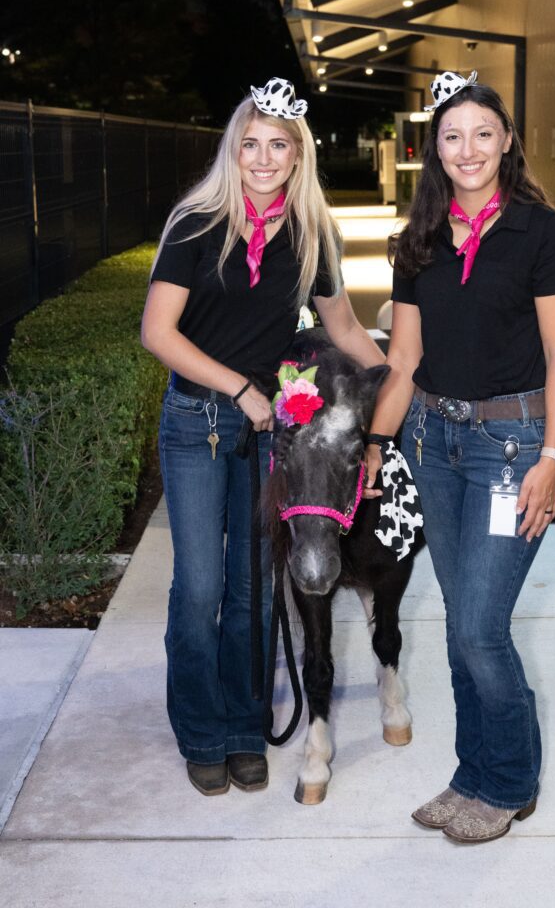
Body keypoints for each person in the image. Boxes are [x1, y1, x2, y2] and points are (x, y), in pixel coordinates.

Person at [141, 78, 384, 797]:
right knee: (200, 587)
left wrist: (397, 383)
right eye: (250, 144)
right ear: (233, 149)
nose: (263, 157)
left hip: (270, 432)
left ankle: (245, 729)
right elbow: (158, 333)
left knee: (252, 587)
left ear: (298, 154)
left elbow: (340, 327)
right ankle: (201, 729)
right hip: (199, 424)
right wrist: (242, 390)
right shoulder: (194, 221)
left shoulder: (314, 233)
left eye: (278, 145)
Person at [364, 71, 555, 844]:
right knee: (460, 620)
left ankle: (511, 782)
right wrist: (376, 445)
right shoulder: (416, 239)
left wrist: (550, 456)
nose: (468, 149)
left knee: (481, 628)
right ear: (435, 148)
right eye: (452, 135)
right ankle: (471, 775)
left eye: (482, 133)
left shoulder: (539, 232)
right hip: (432, 443)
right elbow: (405, 358)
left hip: (510, 446)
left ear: (506, 141)